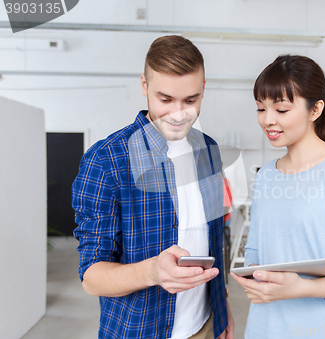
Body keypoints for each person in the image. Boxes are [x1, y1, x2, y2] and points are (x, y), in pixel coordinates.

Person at [73, 35, 234, 339]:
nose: (178, 114)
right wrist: (152, 272)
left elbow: (212, 240)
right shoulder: (106, 161)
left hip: (206, 325)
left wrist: (222, 309)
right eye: (165, 99)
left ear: (203, 91)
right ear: (145, 86)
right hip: (140, 331)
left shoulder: (208, 150)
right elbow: (91, 277)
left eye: (191, 100)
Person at [230, 55, 325, 338]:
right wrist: (254, 275)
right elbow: (254, 251)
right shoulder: (266, 175)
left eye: (282, 109)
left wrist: (303, 288)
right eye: (261, 108)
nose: (267, 120)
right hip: (265, 328)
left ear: (316, 110)